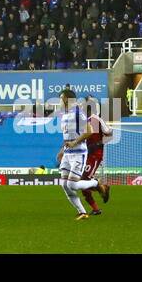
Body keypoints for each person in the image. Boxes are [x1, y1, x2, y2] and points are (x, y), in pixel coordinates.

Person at [54, 88, 107, 219]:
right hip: (67, 153)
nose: (59, 101)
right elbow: (67, 135)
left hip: (78, 152)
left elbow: (89, 131)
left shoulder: (78, 112)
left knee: (72, 184)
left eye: (60, 98)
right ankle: (82, 212)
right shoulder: (65, 114)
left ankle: (95, 183)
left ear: (66, 99)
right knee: (64, 185)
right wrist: (62, 149)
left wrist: (75, 142)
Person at [79, 98, 112, 214]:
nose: (81, 108)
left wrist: (98, 143)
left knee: (83, 180)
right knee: (81, 182)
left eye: (83, 106)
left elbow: (109, 134)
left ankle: (102, 188)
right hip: (86, 155)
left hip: (95, 155)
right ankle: (96, 208)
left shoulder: (96, 119)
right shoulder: (85, 121)